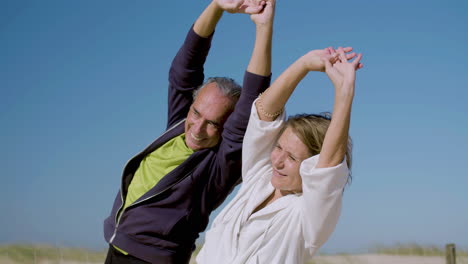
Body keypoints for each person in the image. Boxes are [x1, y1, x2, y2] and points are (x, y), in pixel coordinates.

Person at [103, 0, 275, 263]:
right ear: (190, 106)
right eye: (196, 113)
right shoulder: (177, 125)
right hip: (117, 249)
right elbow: (186, 67)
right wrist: (217, 6)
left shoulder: (220, 165)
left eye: (213, 123)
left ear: (226, 128)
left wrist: (264, 27)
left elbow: (254, 97)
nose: (198, 128)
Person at [196, 47, 363, 263]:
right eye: (278, 148)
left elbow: (329, 167)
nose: (278, 161)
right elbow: (264, 112)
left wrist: (345, 91)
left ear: (311, 166)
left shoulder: (309, 215)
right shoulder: (260, 177)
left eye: (292, 158)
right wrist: (303, 64)